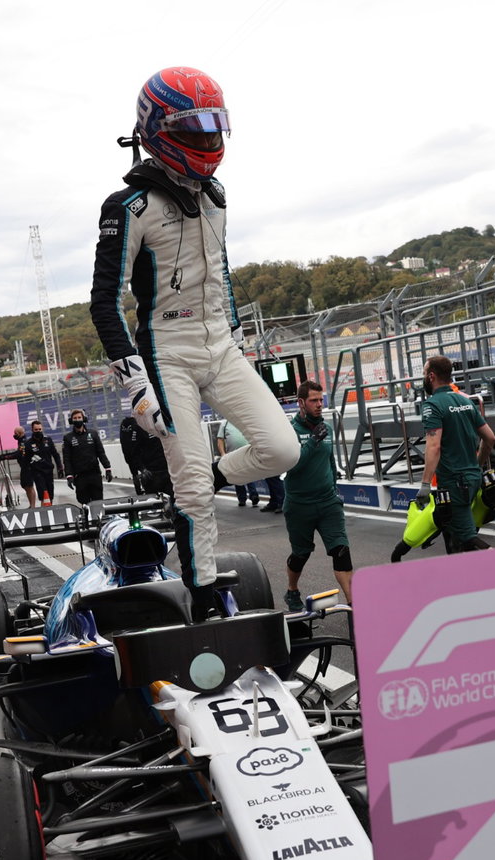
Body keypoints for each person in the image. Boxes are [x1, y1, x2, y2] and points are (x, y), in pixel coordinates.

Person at [89, 66, 298, 617]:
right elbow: (104, 304)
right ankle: (202, 600)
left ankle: (203, 474)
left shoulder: (216, 198)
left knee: (284, 448)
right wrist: (135, 383)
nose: (209, 141)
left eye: (214, 128)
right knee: (195, 497)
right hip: (165, 351)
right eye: (194, 129)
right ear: (158, 129)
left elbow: (223, 276)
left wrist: (235, 336)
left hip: (221, 345)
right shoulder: (127, 207)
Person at [281, 380, 352, 610]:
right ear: (301, 403)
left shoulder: (327, 429)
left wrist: (334, 489)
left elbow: (330, 461)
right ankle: (292, 591)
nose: (319, 404)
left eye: (321, 400)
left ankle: (354, 605)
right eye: (314, 400)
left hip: (328, 502)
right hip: (299, 505)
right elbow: (292, 465)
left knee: (341, 550)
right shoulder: (289, 431)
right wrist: (312, 441)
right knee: (300, 555)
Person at [416, 356, 495, 553]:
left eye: (424, 374)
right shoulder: (465, 401)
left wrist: (425, 485)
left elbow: (433, 447)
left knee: (467, 539)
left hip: (454, 483)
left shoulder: (432, 405)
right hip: (472, 479)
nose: (424, 378)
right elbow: (490, 438)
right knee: (454, 536)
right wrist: (477, 465)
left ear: (431, 376)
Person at [60, 410, 112, 506]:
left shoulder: (93, 434)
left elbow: (101, 453)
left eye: (79, 417)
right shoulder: (68, 438)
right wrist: (69, 476)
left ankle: (98, 520)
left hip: (94, 474)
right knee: (84, 502)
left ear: (84, 419)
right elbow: (67, 459)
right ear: (71, 421)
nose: (77, 420)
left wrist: (107, 468)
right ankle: (88, 520)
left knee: (98, 502)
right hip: (79, 476)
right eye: (75, 418)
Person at [215, 420, 262, 507]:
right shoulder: (224, 424)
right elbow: (220, 439)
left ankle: (254, 495)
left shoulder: (244, 420)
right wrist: (223, 453)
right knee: (237, 476)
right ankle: (242, 498)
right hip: (233, 455)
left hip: (247, 454)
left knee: (249, 474)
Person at [119, 415, 170, 495]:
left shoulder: (164, 419)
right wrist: (139, 471)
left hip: (167, 468)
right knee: (153, 501)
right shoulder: (133, 424)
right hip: (150, 472)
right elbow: (130, 450)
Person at [20, 420, 63, 507]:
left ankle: (49, 507)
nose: (38, 431)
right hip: (37, 472)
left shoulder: (48, 440)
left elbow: (55, 454)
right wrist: (27, 474)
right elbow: (26, 461)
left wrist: (60, 467)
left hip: (49, 470)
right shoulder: (28, 444)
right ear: (32, 430)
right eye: (36, 430)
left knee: (50, 493)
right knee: (43, 492)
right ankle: (44, 511)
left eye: (40, 429)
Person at [0, 427, 38, 508]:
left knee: (29, 486)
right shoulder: (21, 442)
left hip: (28, 467)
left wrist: (5, 457)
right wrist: (5, 455)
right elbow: (18, 453)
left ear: (20, 433)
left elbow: (18, 454)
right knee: (25, 485)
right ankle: (31, 505)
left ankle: (33, 506)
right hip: (24, 467)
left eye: (15, 433)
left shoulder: (24, 442)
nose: (14, 435)